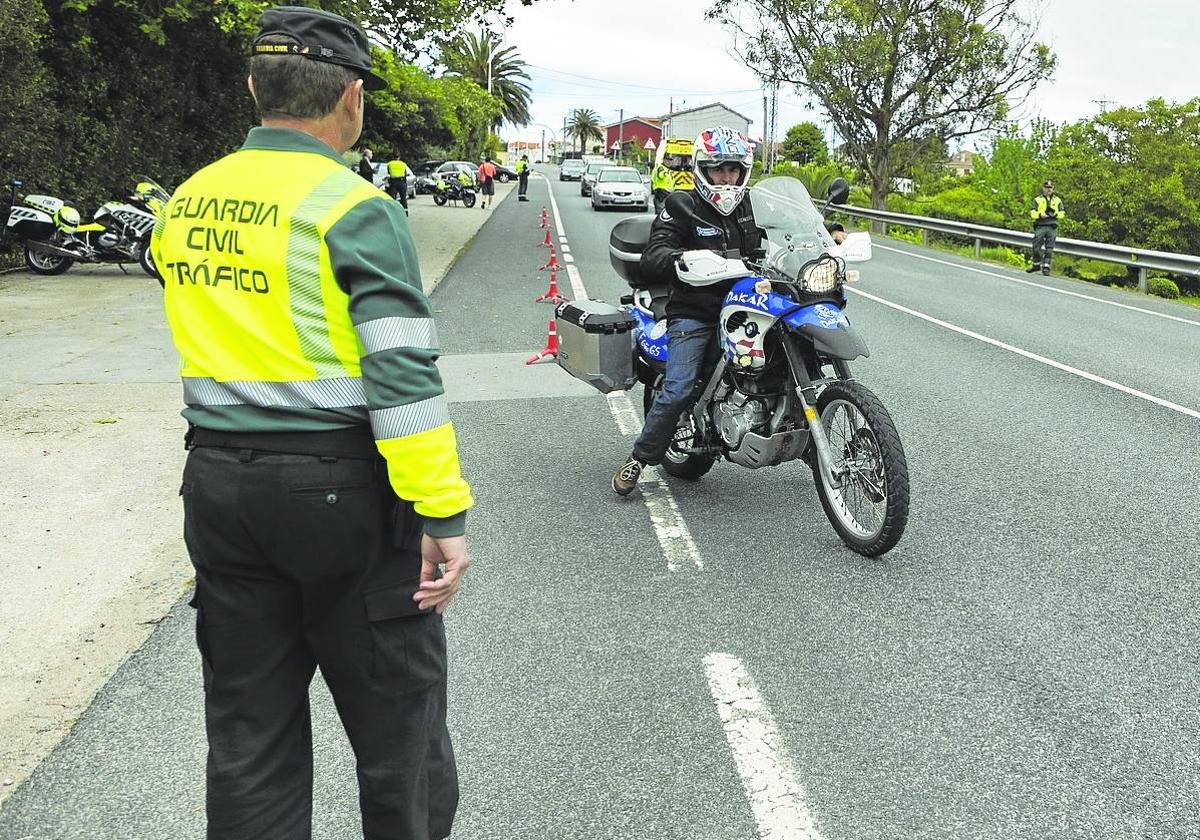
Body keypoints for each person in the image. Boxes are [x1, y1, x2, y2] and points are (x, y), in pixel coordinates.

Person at [150, 7, 473, 839]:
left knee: (249, 736)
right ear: (353, 99)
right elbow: (401, 375)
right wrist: (442, 512)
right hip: (341, 497)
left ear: (255, 87)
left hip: (218, 484)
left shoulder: (187, 202)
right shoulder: (355, 208)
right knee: (399, 737)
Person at [612, 127, 760, 496]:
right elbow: (654, 254)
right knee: (678, 388)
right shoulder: (681, 205)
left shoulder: (748, 206)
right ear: (702, 170)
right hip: (696, 313)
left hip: (746, 306)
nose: (727, 178)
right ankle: (639, 458)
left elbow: (776, 236)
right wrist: (681, 256)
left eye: (733, 170)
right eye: (718, 170)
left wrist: (823, 236)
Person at [1028, 179, 1065, 275]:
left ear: (1053, 189)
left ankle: (1046, 267)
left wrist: (1055, 214)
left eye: (1050, 188)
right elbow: (1032, 213)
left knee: (1049, 248)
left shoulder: (1057, 200)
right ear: (1043, 188)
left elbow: (1062, 213)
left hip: (1052, 225)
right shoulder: (1037, 200)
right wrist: (1040, 215)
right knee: (1036, 247)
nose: (1049, 190)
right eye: (1047, 188)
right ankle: (1036, 265)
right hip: (1040, 225)